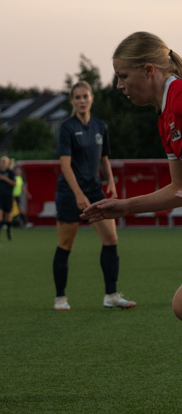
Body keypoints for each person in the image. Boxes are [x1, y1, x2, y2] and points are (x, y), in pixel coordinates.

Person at [82, 31, 182, 319]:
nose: (118, 85)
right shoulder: (165, 115)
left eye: (123, 76)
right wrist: (125, 207)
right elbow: (178, 188)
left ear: (148, 70)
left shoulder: (179, 99)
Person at [52, 80, 135, 311]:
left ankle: (111, 295)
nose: (82, 101)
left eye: (85, 96)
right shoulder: (67, 128)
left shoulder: (100, 126)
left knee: (111, 239)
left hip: (95, 190)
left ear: (92, 98)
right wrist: (78, 194)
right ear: (72, 101)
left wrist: (111, 183)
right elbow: (65, 165)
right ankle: (60, 298)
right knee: (66, 244)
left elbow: (104, 159)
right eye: (77, 97)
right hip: (70, 193)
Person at [0, 156, 16, 241]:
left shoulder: (10, 173)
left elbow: (14, 183)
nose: (3, 163)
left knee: (8, 216)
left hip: (7, 196)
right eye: (1, 161)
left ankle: (8, 232)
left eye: (4, 162)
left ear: (8, 163)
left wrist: (5, 178)